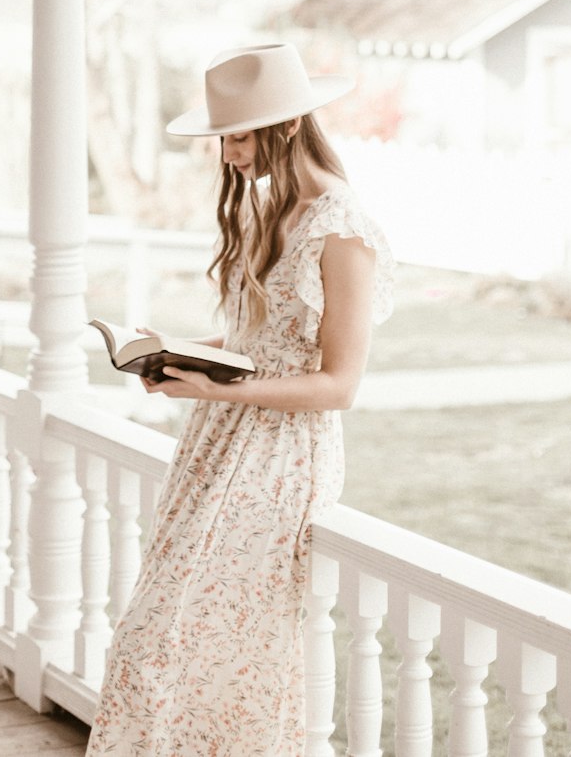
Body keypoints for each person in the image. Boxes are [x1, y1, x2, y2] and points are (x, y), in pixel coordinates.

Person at [85, 42, 394, 757]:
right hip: (220, 438)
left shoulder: (343, 232)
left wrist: (228, 387)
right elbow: (254, 337)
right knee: (161, 638)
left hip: (281, 455)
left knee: (180, 640)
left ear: (286, 128)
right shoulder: (270, 212)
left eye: (237, 136)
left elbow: (339, 385)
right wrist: (181, 358)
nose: (228, 155)